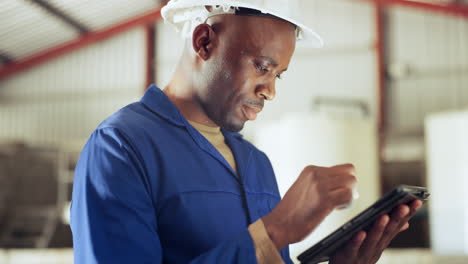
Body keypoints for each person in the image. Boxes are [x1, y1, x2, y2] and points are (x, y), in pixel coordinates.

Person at [70, 1, 422, 263]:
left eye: (277, 75)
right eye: (262, 67)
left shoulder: (256, 163)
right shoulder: (122, 147)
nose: (270, 91)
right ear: (204, 41)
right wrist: (274, 230)